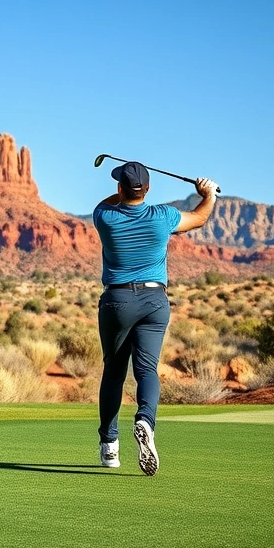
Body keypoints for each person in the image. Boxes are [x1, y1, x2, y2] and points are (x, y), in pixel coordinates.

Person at [92, 161, 218, 475]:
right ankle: (145, 420)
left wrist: (124, 191)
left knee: (114, 372)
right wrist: (208, 194)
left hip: (117, 300)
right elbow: (200, 217)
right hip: (154, 301)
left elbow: (106, 202)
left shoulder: (105, 218)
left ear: (120, 189)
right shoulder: (163, 216)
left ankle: (109, 447)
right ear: (147, 190)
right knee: (147, 369)